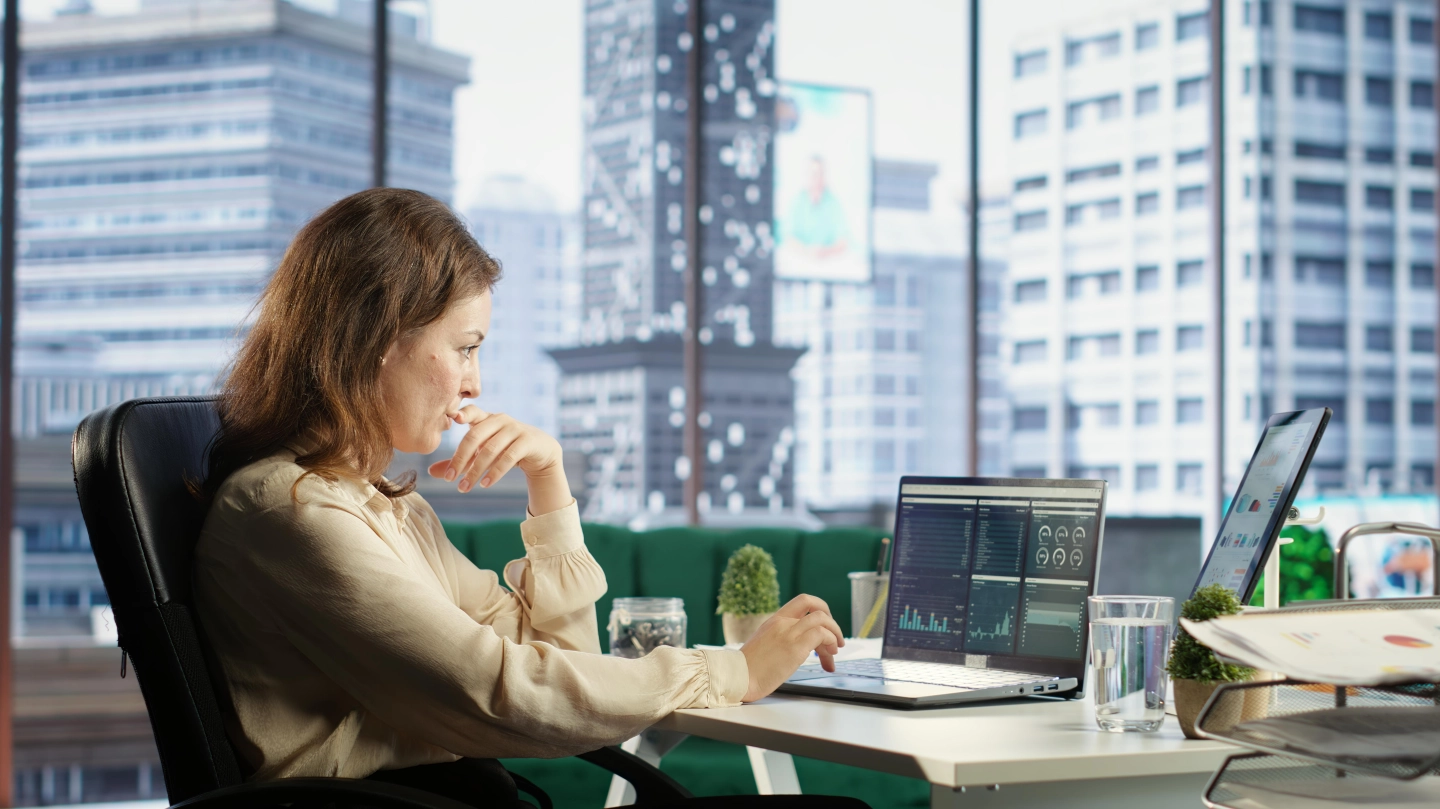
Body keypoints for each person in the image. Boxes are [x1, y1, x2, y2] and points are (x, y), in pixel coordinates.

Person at [192, 188, 865, 808]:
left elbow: (562, 665)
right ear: (375, 339)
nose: (474, 383)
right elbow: (501, 690)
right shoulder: (293, 512)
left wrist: (549, 481)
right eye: (464, 348)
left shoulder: (387, 509)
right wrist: (733, 669)